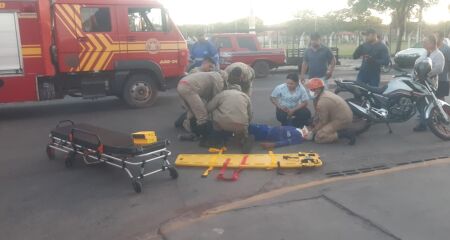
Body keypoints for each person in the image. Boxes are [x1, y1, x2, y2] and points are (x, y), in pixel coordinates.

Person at [206, 73, 253, 153]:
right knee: (244, 117)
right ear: (239, 90)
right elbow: (250, 114)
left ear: (228, 88)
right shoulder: (245, 96)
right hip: (241, 126)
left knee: (214, 109)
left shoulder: (222, 94)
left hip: (222, 124)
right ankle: (244, 137)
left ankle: (217, 138)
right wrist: (246, 125)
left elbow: (208, 108)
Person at [177, 71, 227, 137]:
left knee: (192, 110)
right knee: (202, 115)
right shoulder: (219, 78)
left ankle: (190, 127)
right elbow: (216, 97)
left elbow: (204, 93)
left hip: (181, 85)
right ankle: (203, 133)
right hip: (189, 88)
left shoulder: (209, 74)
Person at [306, 78, 355, 145]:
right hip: (340, 115)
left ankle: (343, 134)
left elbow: (323, 121)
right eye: (311, 89)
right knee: (315, 123)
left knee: (319, 137)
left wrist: (313, 131)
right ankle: (337, 130)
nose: (312, 91)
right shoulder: (324, 93)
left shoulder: (322, 102)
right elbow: (318, 114)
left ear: (320, 89)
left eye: (314, 89)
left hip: (342, 119)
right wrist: (314, 123)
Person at [413, 35, 445, 132]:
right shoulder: (425, 53)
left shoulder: (439, 55)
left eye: (425, 42)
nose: (423, 44)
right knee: (420, 103)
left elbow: (439, 69)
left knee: (428, 104)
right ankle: (425, 122)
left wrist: (425, 74)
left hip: (429, 84)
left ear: (431, 43)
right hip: (419, 83)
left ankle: (430, 123)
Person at [435, 32, 450, 101]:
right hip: (432, 80)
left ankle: (442, 112)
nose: (434, 39)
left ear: (442, 38)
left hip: (442, 79)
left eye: (436, 37)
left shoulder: (447, 49)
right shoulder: (433, 48)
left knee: (441, 99)